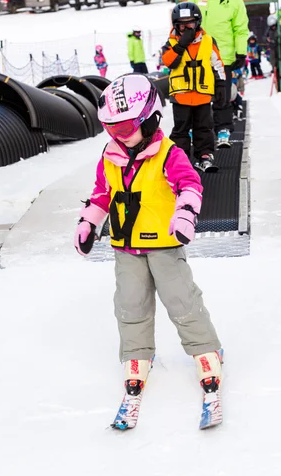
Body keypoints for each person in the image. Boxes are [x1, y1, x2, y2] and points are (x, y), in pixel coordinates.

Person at [74, 73, 222, 398]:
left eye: (124, 128)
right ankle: (137, 356)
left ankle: (206, 350)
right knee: (130, 304)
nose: (118, 136)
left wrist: (185, 215)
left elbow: (189, 185)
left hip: (164, 245)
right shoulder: (110, 156)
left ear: (150, 118)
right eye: (110, 129)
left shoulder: (169, 155)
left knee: (181, 299)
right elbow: (102, 194)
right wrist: (89, 223)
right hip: (126, 247)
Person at [189, 0, 249, 148]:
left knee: (221, 94)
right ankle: (198, 129)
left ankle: (223, 129)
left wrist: (241, 52)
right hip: (199, 54)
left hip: (223, 56)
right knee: (198, 93)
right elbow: (184, 22)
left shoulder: (234, 1)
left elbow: (241, 29)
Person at [161, 1, 226, 173]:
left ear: (197, 23)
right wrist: (181, 44)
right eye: (182, 26)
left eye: (190, 24)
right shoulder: (171, 43)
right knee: (181, 129)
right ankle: (180, 160)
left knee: (204, 127)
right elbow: (169, 62)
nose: (186, 28)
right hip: (181, 95)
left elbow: (218, 64)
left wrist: (221, 85)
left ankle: (205, 156)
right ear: (176, 26)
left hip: (202, 94)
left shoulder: (208, 41)